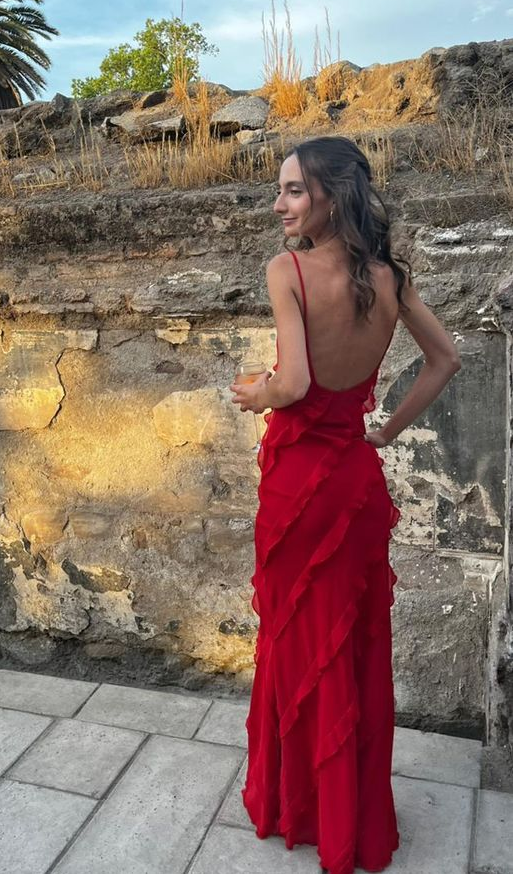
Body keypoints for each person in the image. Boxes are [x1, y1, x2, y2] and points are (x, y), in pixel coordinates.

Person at [229, 136, 461, 874]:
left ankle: (297, 807)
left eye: (294, 189)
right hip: (355, 484)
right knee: (351, 646)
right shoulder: (391, 277)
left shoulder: (288, 269)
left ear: (333, 196)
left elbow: (295, 384)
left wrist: (256, 392)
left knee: (297, 637)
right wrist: (386, 429)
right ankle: (348, 818)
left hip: (300, 484)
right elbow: (446, 359)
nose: (279, 204)